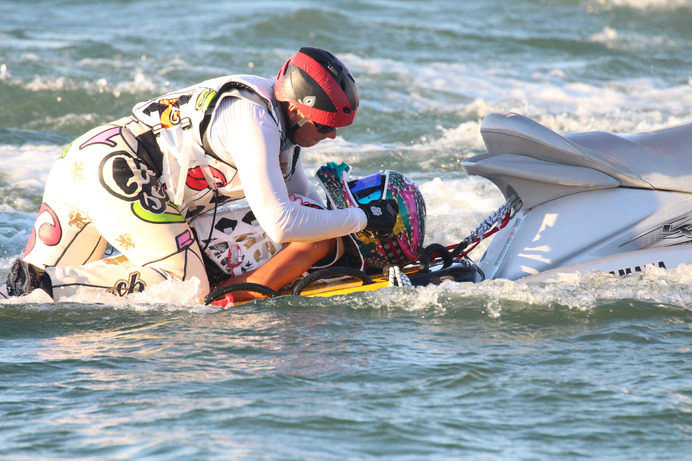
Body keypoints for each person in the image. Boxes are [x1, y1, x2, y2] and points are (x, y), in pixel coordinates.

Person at [5, 46, 400, 302]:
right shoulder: (254, 121)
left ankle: (40, 282)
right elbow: (281, 224)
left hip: (86, 158)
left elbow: (305, 205)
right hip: (119, 172)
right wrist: (363, 218)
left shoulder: (278, 124)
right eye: (326, 126)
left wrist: (356, 232)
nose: (331, 136)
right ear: (298, 109)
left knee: (14, 297)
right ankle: (46, 284)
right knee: (188, 287)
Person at [196, 161, 427, 306]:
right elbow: (258, 287)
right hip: (195, 259)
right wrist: (195, 303)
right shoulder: (321, 241)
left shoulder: (318, 220)